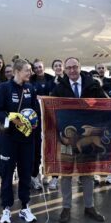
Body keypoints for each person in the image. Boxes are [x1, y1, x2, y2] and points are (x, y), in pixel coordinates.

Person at [52, 57, 107, 223]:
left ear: (80, 67)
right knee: (66, 175)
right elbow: (52, 109)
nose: (72, 71)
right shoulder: (59, 87)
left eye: (74, 67)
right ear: (65, 70)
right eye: (68, 68)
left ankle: (90, 207)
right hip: (67, 139)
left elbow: (106, 104)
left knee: (88, 174)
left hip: (87, 138)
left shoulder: (93, 85)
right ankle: (66, 208)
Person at [0, 59, 39, 223]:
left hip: (27, 140)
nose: (30, 73)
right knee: (6, 173)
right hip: (8, 139)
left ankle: (25, 207)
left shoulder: (30, 88)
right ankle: (6, 208)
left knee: (25, 173)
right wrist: (12, 118)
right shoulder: (4, 88)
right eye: (27, 70)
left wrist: (34, 124)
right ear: (17, 71)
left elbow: (36, 112)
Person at [29, 59, 54, 191]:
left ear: (44, 67)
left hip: (50, 119)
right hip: (35, 120)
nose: (38, 69)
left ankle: (49, 174)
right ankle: (35, 175)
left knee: (49, 147)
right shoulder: (30, 81)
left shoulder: (52, 79)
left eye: (40, 67)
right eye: (36, 67)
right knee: (36, 147)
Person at [47, 59, 63, 190]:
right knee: (54, 150)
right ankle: (54, 177)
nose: (58, 67)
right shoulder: (50, 82)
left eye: (60, 65)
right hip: (53, 120)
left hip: (68, 120)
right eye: (55, 66)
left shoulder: (70, 80)